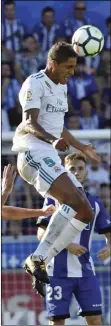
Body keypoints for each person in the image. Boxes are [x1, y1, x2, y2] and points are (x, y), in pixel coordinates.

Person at [12, 41, 100, 286]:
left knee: (85, 211)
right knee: (73, 200)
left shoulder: (62, 87)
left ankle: (39, 259)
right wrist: (53, 141)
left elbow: (58, 126)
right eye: (68, 67)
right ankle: (38, 258)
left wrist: (82, 147)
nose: (72, 72)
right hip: (32, 153)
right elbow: (30, 122)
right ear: (53, 64)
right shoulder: (34, 83)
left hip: (49, 154)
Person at [36, 152, 111, 325]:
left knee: (94, 319)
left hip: (85, 272)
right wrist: (68, 245)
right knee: (57, 322)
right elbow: (41, 234)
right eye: (72, 169)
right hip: (56, 273)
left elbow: (109, 234)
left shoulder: (95, 203)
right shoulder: (53, 200)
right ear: (65, 172)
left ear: (86, 173)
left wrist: (109, 247)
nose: (76, 172)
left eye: (80, 169)